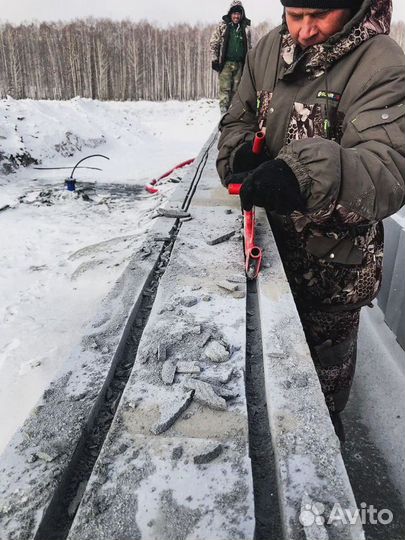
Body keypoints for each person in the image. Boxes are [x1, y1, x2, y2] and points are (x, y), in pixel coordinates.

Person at [217, 0, 405, 442]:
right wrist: (239, 154)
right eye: (295, 15)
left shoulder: (381, 63)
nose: (304, 31)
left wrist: (301, 175)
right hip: (267, 253)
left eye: (318, 16)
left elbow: (386, 170)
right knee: (260, 389)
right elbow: (237, 118)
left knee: (317, 405)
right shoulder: (267, 49)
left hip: (333, 276)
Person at [210, 1, 252, 114]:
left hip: (240, 65)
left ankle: (232, 115)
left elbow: (250, 47)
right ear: (230, 14)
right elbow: (214, 43)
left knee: (237, 91)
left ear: (242, 14)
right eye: (234, 13)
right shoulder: (223, 26)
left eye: (238, 13)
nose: (236, 16)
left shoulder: (246, 28)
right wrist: (214, 59)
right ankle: (223, 114)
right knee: (225, 89)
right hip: (226, 64)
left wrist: (250, 64)